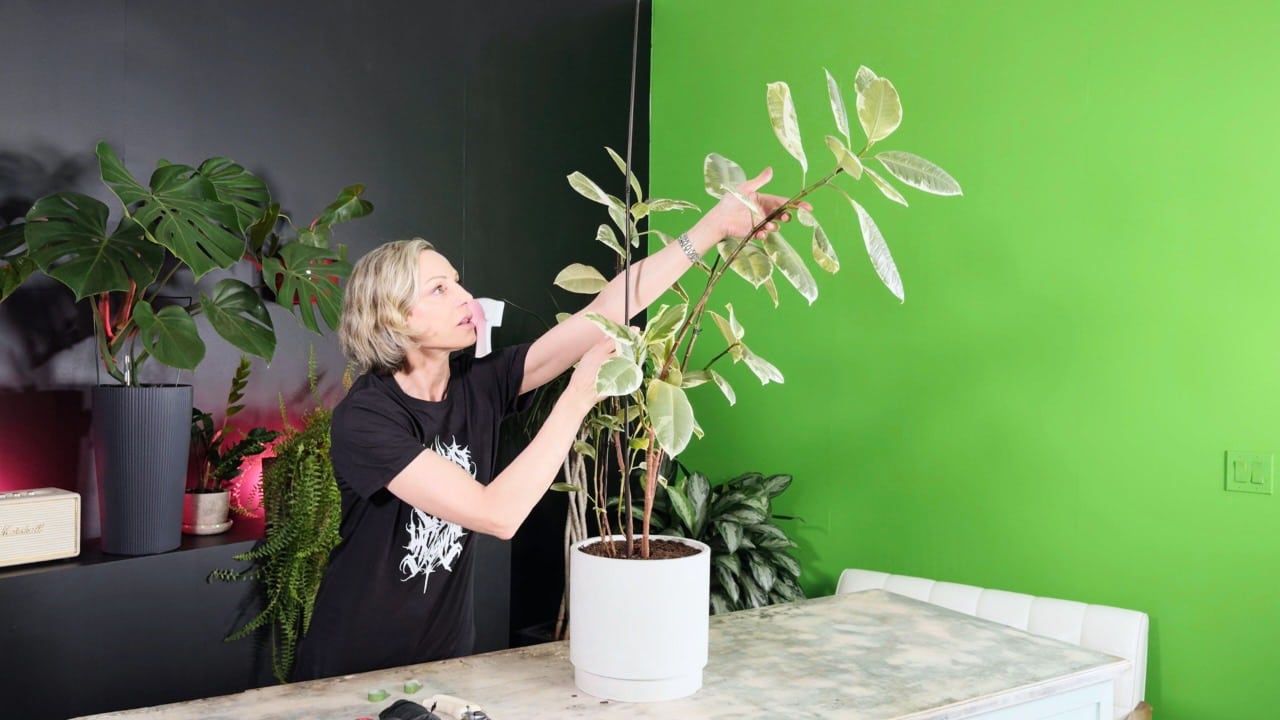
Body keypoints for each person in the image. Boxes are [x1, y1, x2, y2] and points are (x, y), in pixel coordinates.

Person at [291, 167, 805, 681]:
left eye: (458, 281)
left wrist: (712, 228)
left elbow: (608, 308)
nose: (465, 296)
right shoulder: (367, 418)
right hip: (352, 672)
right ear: (393, 319)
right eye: (439, 290)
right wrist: (579, 396)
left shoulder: (480, 384)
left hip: (446, 664)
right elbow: (496, 514)